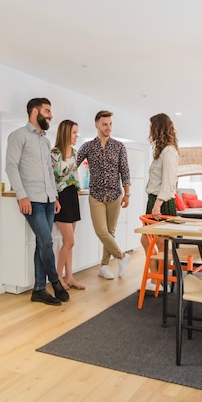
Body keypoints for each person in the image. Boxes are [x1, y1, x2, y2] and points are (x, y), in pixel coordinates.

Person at [5, 98, 69, 306]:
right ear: (34, 112)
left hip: (49, 200)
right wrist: (21, 195)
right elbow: (11, 167)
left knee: (42, 244)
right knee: (47, 242)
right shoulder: (18, 136)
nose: (51, 115)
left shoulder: (45, 141)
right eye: (47, 111)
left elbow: (49, 173)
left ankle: (39, 289)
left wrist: (55, 197)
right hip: (32, 200)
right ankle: (55, 282)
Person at [77, 110, 131, 280]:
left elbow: (125, 171)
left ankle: (104, 266)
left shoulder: (119, 146)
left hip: (115, 195)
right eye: (105, 124)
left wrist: (127, 193)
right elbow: (73, 163)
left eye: (110, 124)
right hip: (96, 195)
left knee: (110, 231)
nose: (108, 127)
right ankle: (122, 257)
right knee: (101, 231)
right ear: (97, 125)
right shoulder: (88, 146)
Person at [141, 113, 179, 291]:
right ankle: (158, 279)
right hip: (155, 200)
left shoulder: (169, 151)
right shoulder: (162, 150)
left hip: (161, 202)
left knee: (161, 242)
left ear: (158, 128)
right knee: (149, 240)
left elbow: (169, 181)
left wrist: (157, 203)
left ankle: (158, 281)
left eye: (151, 127)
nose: (150, 130)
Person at [51, 119, 86, 290]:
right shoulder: (55, 153)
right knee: (69, 241)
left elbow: (74, 173)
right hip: (60, 197)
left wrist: (78, 189)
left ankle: (70, 277)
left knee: (70, 242)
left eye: (77, 132)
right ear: (65, 133)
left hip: (72, 195)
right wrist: (55, 199)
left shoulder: (74, 152)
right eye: (74, 132)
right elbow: (51, 178)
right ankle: (57, 278)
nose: (76, 136)